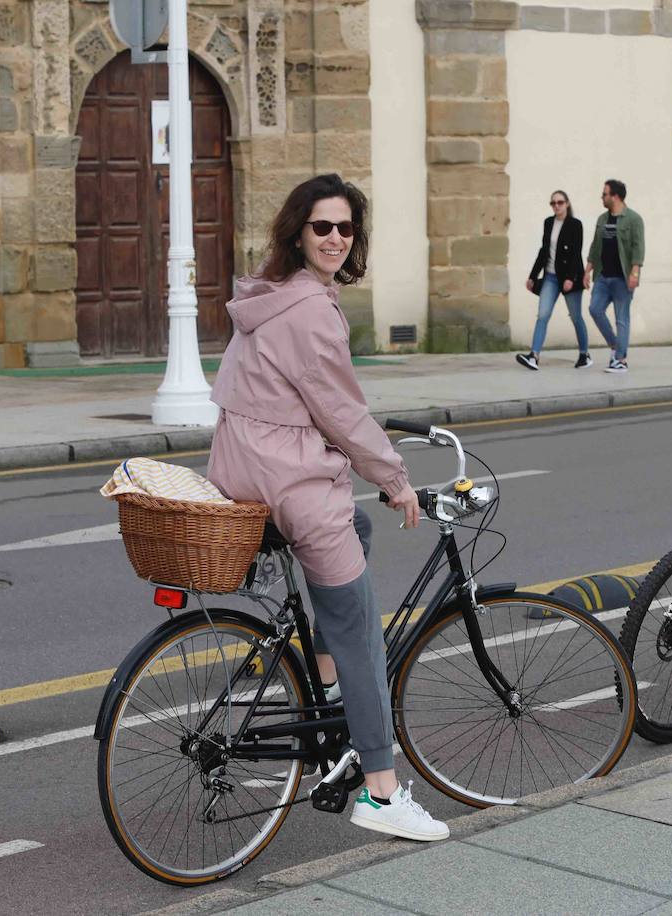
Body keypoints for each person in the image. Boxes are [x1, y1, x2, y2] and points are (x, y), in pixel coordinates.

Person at [207, 173, 449, 842]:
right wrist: (395, 477)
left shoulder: (271, 296)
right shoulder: (312, 311)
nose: (336, 238)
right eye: (322, 227)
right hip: (290, 484)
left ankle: (320, 672)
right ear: (298, 232)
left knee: (358, 526)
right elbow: (339, 409)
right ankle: (380, 792)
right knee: (364, 638)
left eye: (345, 227)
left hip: (244, 470)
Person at [517, 190, 589, 370]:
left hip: (568, 278)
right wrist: (533, 276)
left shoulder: (575, 224)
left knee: (576, 317)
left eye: (560, 202)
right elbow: (544, 251)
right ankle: (534, 356)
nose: (556, 206)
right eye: (553, 203)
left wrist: (571, 278)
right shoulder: (548, 223)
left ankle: (584, 355)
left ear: (567, 204)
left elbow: (576, 253)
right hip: (550, 277)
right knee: (542, 315)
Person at [585, 178, 645, 373]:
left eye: (604, 194)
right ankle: (615, 345)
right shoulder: (602, 219)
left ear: (615, 196)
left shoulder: (634, 219)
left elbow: (638, 248)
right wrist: (587, 272)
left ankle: (621, 360)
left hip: (622, 277)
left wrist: (634, 272)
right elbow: (595, 247)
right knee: (595, 309)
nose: (602, 197)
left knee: (622, 318)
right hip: (603, 276)